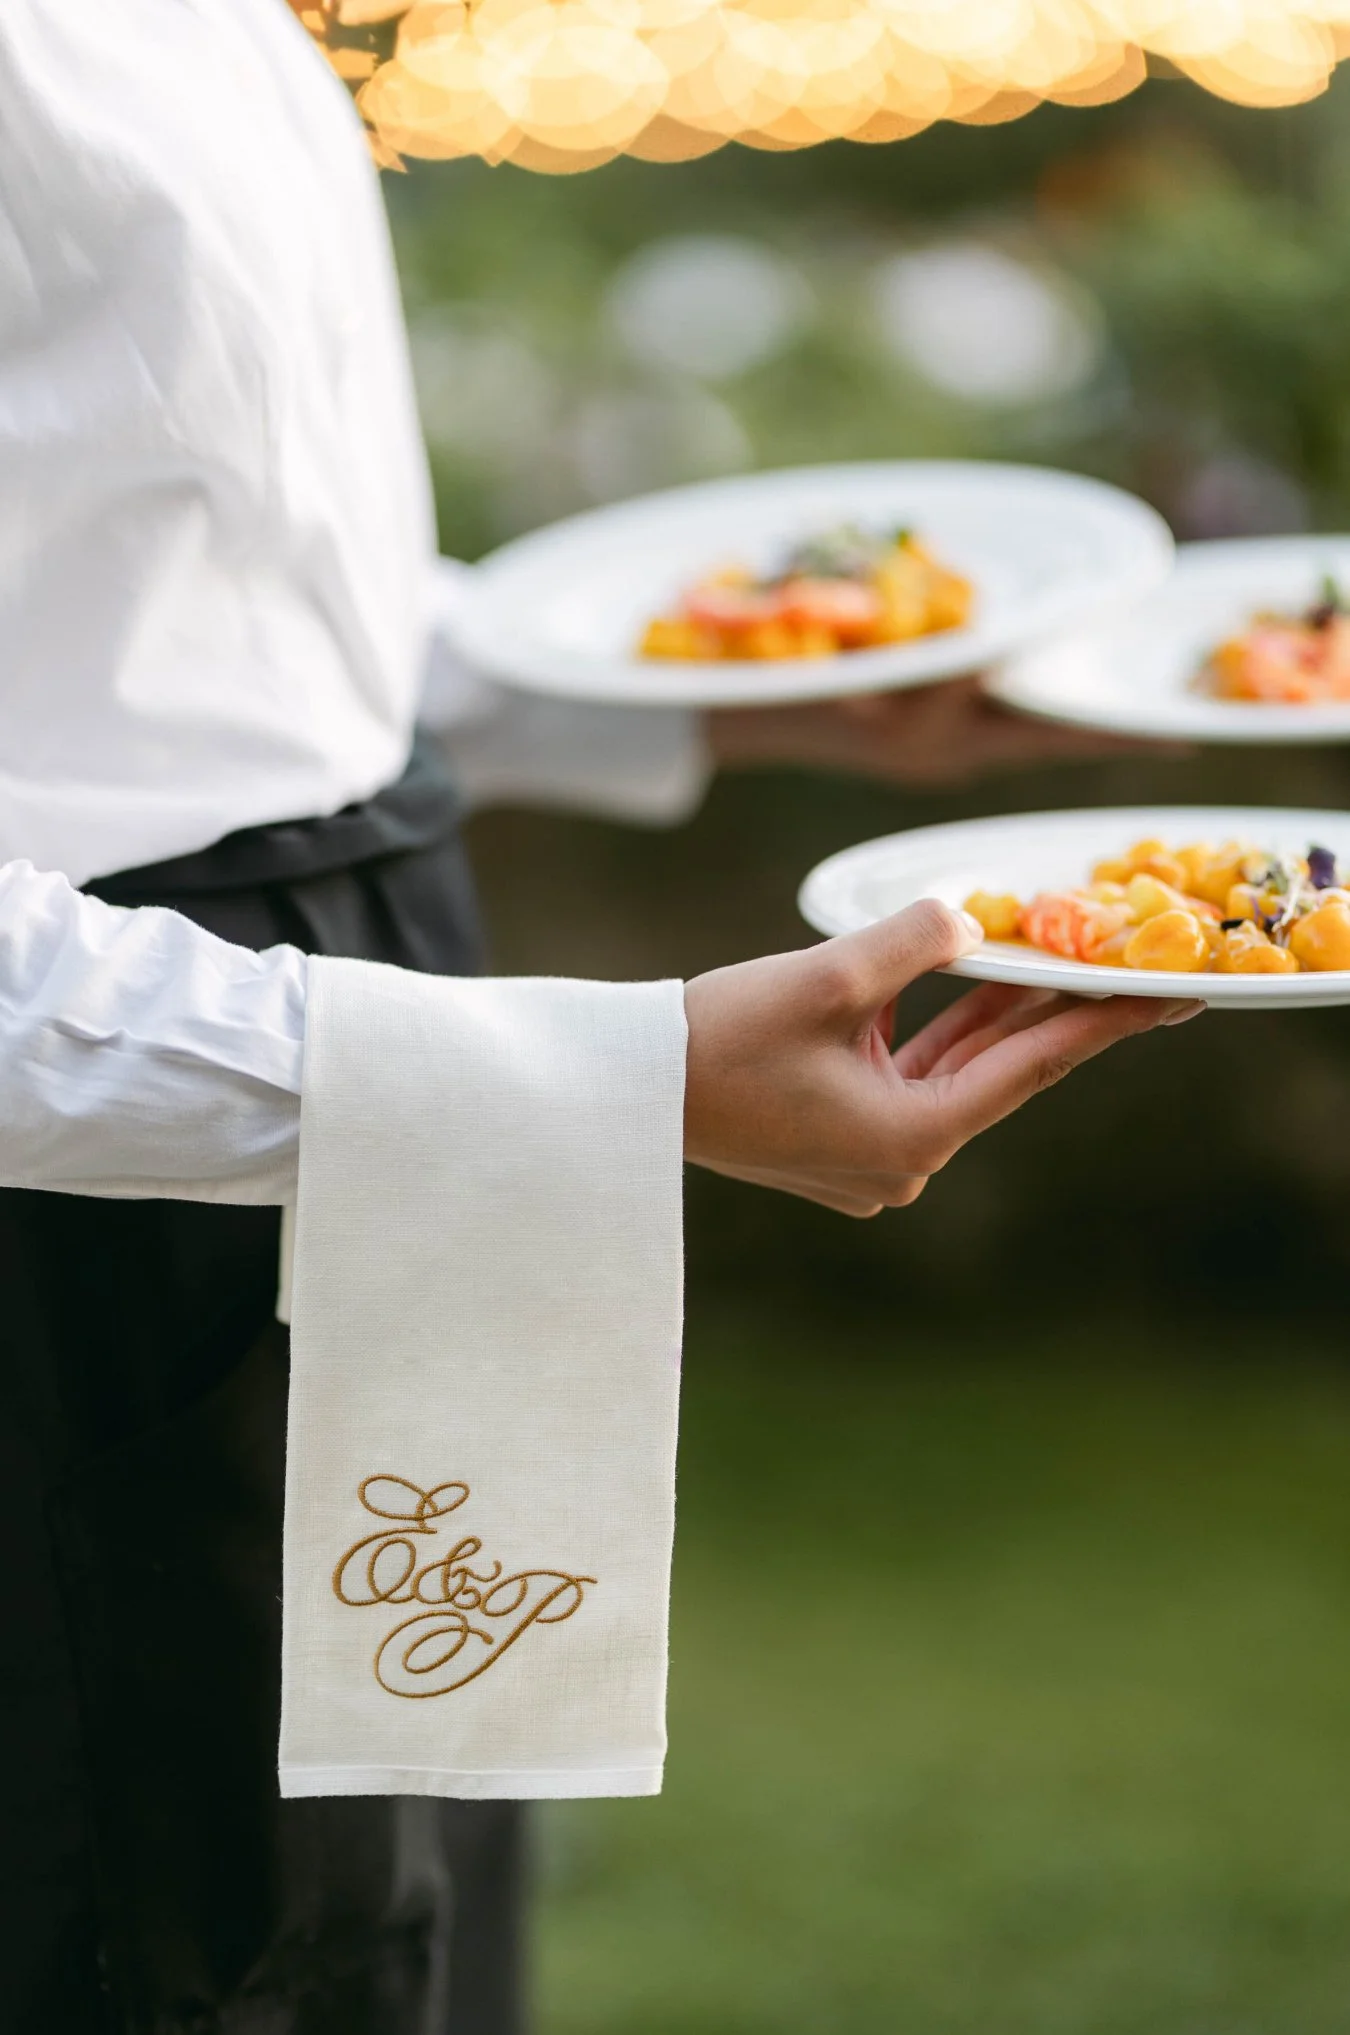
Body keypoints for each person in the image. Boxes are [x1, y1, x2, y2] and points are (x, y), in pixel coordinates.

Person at [0, 5, 1200, 2032]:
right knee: (159, 1931)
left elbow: (195, 586)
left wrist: (740, 688)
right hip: (118, 1154)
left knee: (402, 1858)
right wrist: (582, 1094)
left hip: (370, 1019)